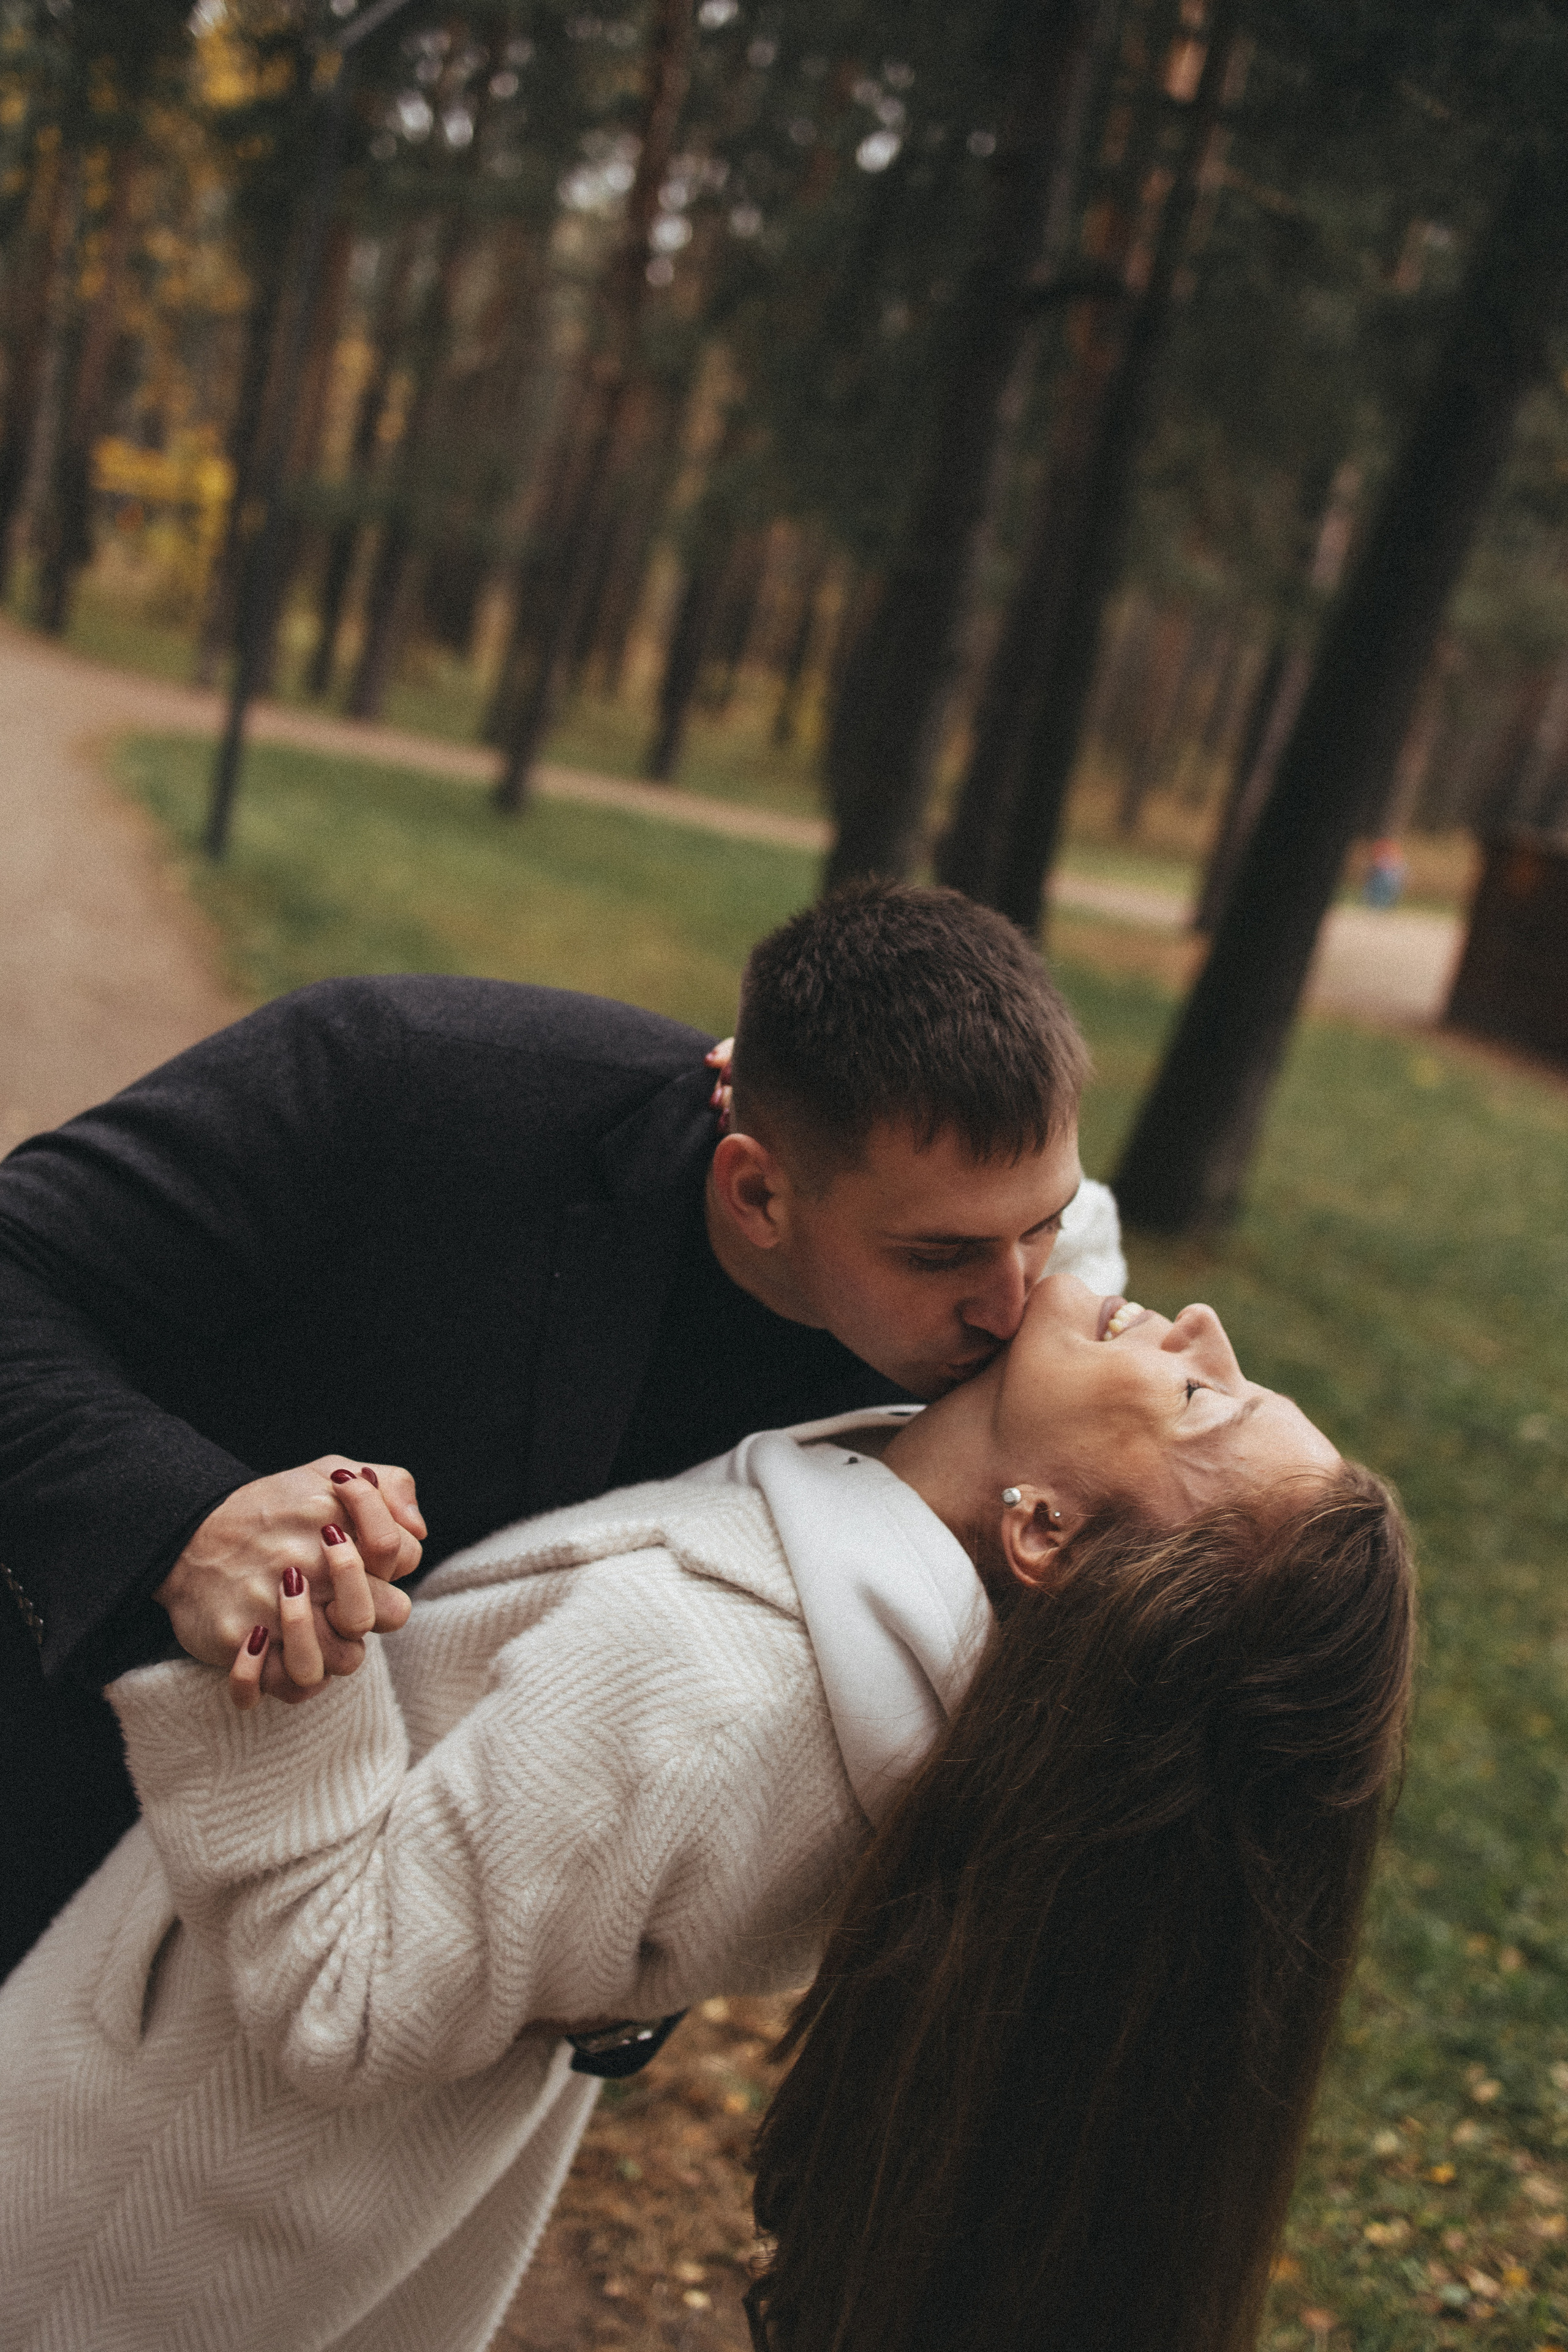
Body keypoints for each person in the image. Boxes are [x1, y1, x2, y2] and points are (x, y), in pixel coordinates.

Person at [0, 1273, 1414, 2352]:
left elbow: (348, 1999)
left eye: (1202, 1401)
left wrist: (297, 1620)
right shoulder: (929, 1672)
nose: (1205, 1329)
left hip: (137, 2198)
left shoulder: (708, 1681)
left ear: (1041, 1534)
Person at [0, 883, 1125, 1974]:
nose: (1013, 1302)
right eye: (940, 1256)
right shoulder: (402, 1073)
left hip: (386, 1983)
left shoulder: (990, 1348)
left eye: (1045, 1226)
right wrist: (186, 1524)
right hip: (58, 1760)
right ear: (757, 1194)